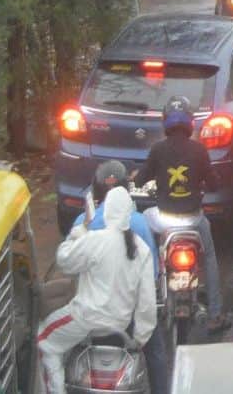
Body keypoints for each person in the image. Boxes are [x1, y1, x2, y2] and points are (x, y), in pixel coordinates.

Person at [37, 187, 156, 394]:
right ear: (130, 213)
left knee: (44, 341)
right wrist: (140, 338)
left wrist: (80, 230)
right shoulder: (141, 249)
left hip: (86, 320)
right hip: (120, 325)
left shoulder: (96, 238)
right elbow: (147, 302)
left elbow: (64, 260)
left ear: (106, 210)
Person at [134, 96, 227, 332]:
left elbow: (140, 179)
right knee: (210, 257)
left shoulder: (157, 149)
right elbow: (214, 184)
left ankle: (153, 279)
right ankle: (216, 313)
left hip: (163, 219)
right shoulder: (199, 150)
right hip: (194, 220)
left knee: (143, 224)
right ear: (190, 123)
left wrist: (141, 176)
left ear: (165, 121)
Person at [74, 161, 168, 394]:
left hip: (91, 317)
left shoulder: (81, 223)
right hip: (129, 318)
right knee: (156, 354)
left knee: (70, 352)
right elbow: (152, 274)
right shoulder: (138, 222)